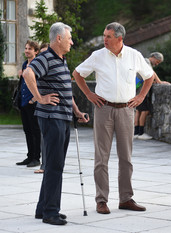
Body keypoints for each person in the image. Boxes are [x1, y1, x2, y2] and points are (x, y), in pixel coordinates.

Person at [73, 22, 155, 214]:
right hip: (104, 108)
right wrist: (89, 95)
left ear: (119, 38)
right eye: (104, 35)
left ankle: (126, 198)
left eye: (108, 36)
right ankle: (101, 200)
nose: (104, 39)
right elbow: (77, 74)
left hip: (127, 109)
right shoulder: (98, 56)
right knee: (101, 157)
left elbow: (149, 76)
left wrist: (141, 96)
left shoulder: (134, 56)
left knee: (126, 157)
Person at [22, 22, 89, 225]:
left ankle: (42, 209)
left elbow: (64, 90)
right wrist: (40, 98)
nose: (72, 41)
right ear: (58, 38)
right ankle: (51, 212)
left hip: (62, 117)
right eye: (69, 38)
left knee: (53, 164)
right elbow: (27, 74)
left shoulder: (61, 59)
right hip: (52, 118)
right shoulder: (46, 58)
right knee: (55, 166)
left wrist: (76, 111)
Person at [15, 40, 41, 168]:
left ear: (36, 51)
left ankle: (36, 157)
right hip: (24, 102)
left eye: (30, 49)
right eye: (26, 48)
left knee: (35, 130)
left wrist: (34, 99)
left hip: (33, 103)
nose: (26, 51)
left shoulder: (38, 65)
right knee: (27, 130)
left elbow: (41, 84)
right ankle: (30, 156)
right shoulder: (25, 64)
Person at [134, 52, 170, 140]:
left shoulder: (143, 61)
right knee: (145, 111)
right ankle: (140, 133)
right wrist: (160, 82)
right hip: (142, 91)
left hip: (137, 90)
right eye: (157, 61)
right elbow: (151, 73)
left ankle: (136, 132)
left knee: (138, 111)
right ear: (153, 57)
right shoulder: (146, 61)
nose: (157, 64)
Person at [34, 42, 49, 174]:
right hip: (43, 109)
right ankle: (44, 164)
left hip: (55, 110)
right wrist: (38, 97)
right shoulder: (38, 66)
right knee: (43, 137)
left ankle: (49, 164)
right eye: (42, 52)